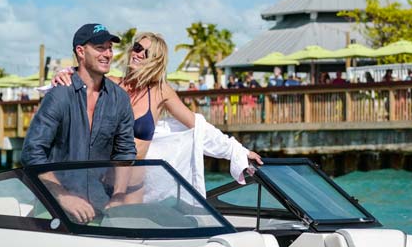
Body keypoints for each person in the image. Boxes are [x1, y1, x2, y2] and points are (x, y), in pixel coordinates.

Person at [53, 31, 262, 196]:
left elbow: (198, 127)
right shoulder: (110, 84)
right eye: (137, 47)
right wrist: (63, 74)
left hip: (133, 189)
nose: (139, 54)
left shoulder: (160, 91)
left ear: (156, 60)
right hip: (100, 183)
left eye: (147, 53)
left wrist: (238, 151)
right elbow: (80, 76)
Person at [23, 23, 137, 223]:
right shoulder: (59, 94)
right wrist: (63, 197)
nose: (108, 54)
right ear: (81, 52)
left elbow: (125, 152)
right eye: (100, 48)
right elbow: (32, 152)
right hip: (53, 206)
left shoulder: (119, 98)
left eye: (110, 48)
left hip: (100, 205)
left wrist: (119, 196)